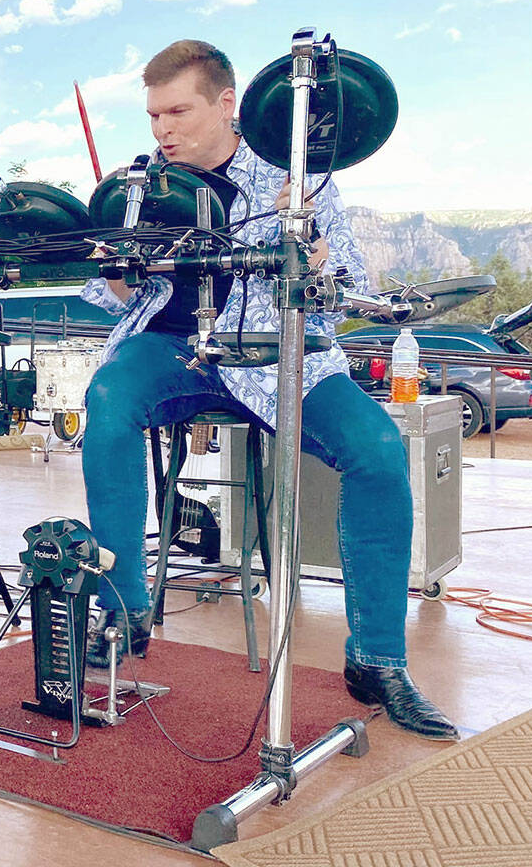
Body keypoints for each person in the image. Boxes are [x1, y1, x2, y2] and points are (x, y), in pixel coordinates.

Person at [79, 40, 457, 740]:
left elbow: (343, 289)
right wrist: (117, 268)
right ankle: (123, 606)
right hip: (174, 351)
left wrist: (310, 248)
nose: (161, 129)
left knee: (378, 447)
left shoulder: (300, 175)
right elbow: (115, 298)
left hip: (282, 354)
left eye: (177, 111)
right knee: (106, 399)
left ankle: (377, 659)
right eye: (153, 114)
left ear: (227, 105)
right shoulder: (141, 184)